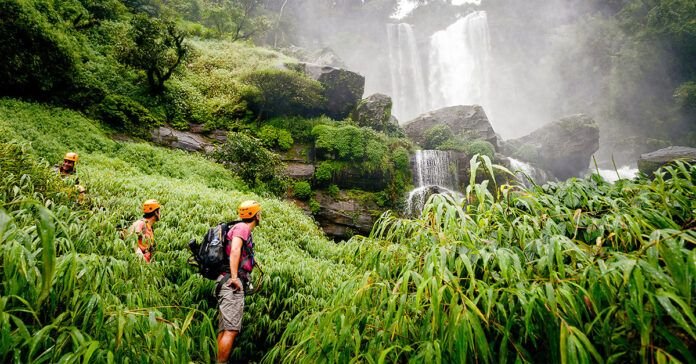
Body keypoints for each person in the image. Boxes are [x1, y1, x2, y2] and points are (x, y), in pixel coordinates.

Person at [217, 200, 261, 363]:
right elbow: (235, 249)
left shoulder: (238, 228)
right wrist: (235, 278)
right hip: (231, 283)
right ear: (256, 215)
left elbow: (238, 251)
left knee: (225, 329)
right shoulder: (242, 228)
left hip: (224, 281)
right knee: (231, 330)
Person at [128, 199, 160, 263]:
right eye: (159, 211)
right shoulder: (141, 223)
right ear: (156, 212)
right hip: (139, 264)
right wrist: (139, 255)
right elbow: (130, 238)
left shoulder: (150, 227)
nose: (160, 214)